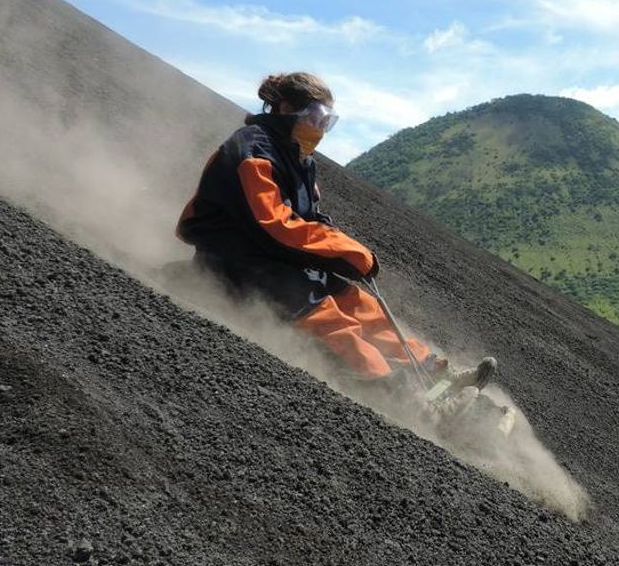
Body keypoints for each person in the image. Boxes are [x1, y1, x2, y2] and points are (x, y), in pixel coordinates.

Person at [177, 72, 482, 393]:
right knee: (323, 314)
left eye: (327, 122)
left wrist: (340, 248)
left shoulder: (298, 159)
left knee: (355, 301)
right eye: (315, 117)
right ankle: (398, 396)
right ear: (285, 109)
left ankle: (428, 369)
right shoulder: (252, 151)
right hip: (234, 258)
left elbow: (310, 217)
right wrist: (339, 250)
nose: (320, 129)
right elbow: (274, 223)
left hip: (274, 256)